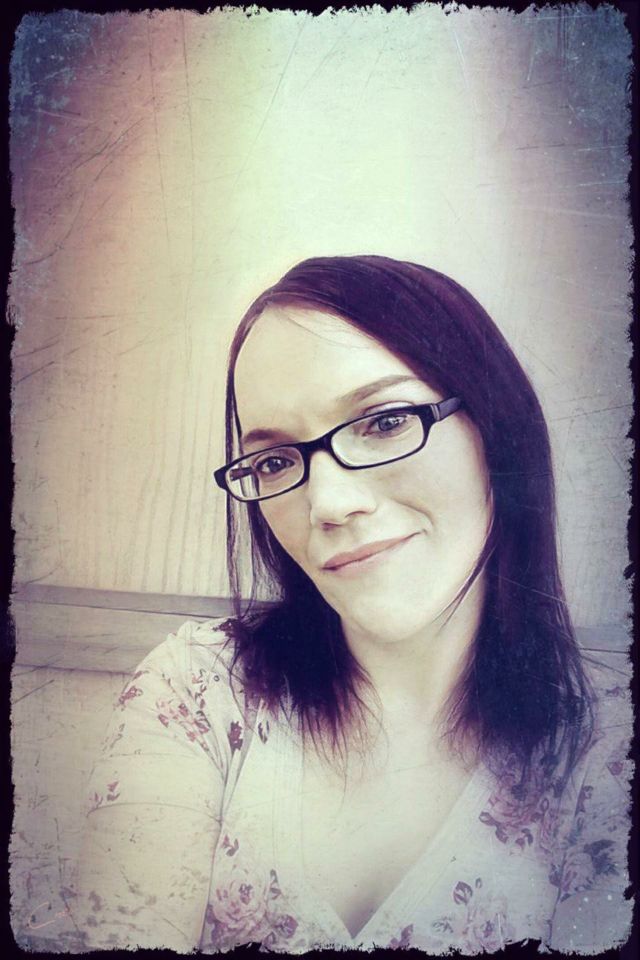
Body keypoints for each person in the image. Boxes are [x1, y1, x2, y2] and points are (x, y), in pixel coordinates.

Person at [73, 256, 631, 953]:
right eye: (274, 462)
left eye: (385, 421)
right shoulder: (198, 691)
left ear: (496, 431)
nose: (329, 503)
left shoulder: (608, 753)